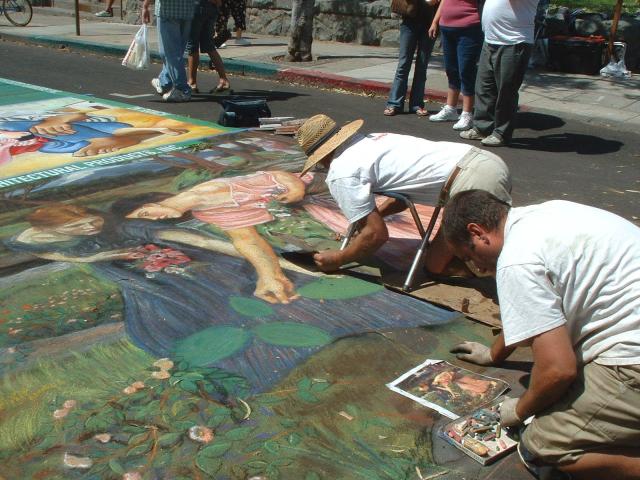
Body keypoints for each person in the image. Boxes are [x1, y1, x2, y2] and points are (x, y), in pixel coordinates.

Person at [444, 190, 640, 479]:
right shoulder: (549, 212)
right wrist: (492, 354)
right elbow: (531, 317)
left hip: (632, 359)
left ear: (477, 232)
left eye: (469, 256)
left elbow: (559, 371)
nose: (478, 268)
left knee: (542, 445)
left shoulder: (516, 260)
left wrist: (521, 410)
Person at [294, 114, 512, 274]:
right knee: (446, 256)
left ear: (319, 157)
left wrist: (340, 258)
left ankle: (516, 281)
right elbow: (402, 197)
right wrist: (360, 225)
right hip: (483, 163)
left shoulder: (341, 172)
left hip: (473, 182)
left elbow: (376, 235)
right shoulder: (372, 139)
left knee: (451, 264)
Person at [459, 0, 538, 146]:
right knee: (484, 88)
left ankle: (502, 133)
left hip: (514, 41)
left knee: (506, 90)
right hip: (490, 39)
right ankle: (482, 128)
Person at [427, 0, 483, 131]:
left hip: (469, 28)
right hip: (447, 28)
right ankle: (451, 108)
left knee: (466, 71)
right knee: (451, 70)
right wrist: (435, 21)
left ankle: (467, 114)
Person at [384, 0, 436, 117]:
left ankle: (417, 105)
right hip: (409, 21)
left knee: (422, 66)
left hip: (430, 22)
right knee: (403, 63)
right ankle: (394, 104)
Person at [143, 0, 195, 102]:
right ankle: (164, 81)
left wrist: (146, 4)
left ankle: (182, 89)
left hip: (168, 11)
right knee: (176, 51)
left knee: (170, 53)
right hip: (187, 11)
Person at [187, 0, 231, 93]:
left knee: (192, 45)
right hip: (212, 7)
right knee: (209, 45)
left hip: (198, 6)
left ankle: (192, 82)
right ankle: (223, 79)